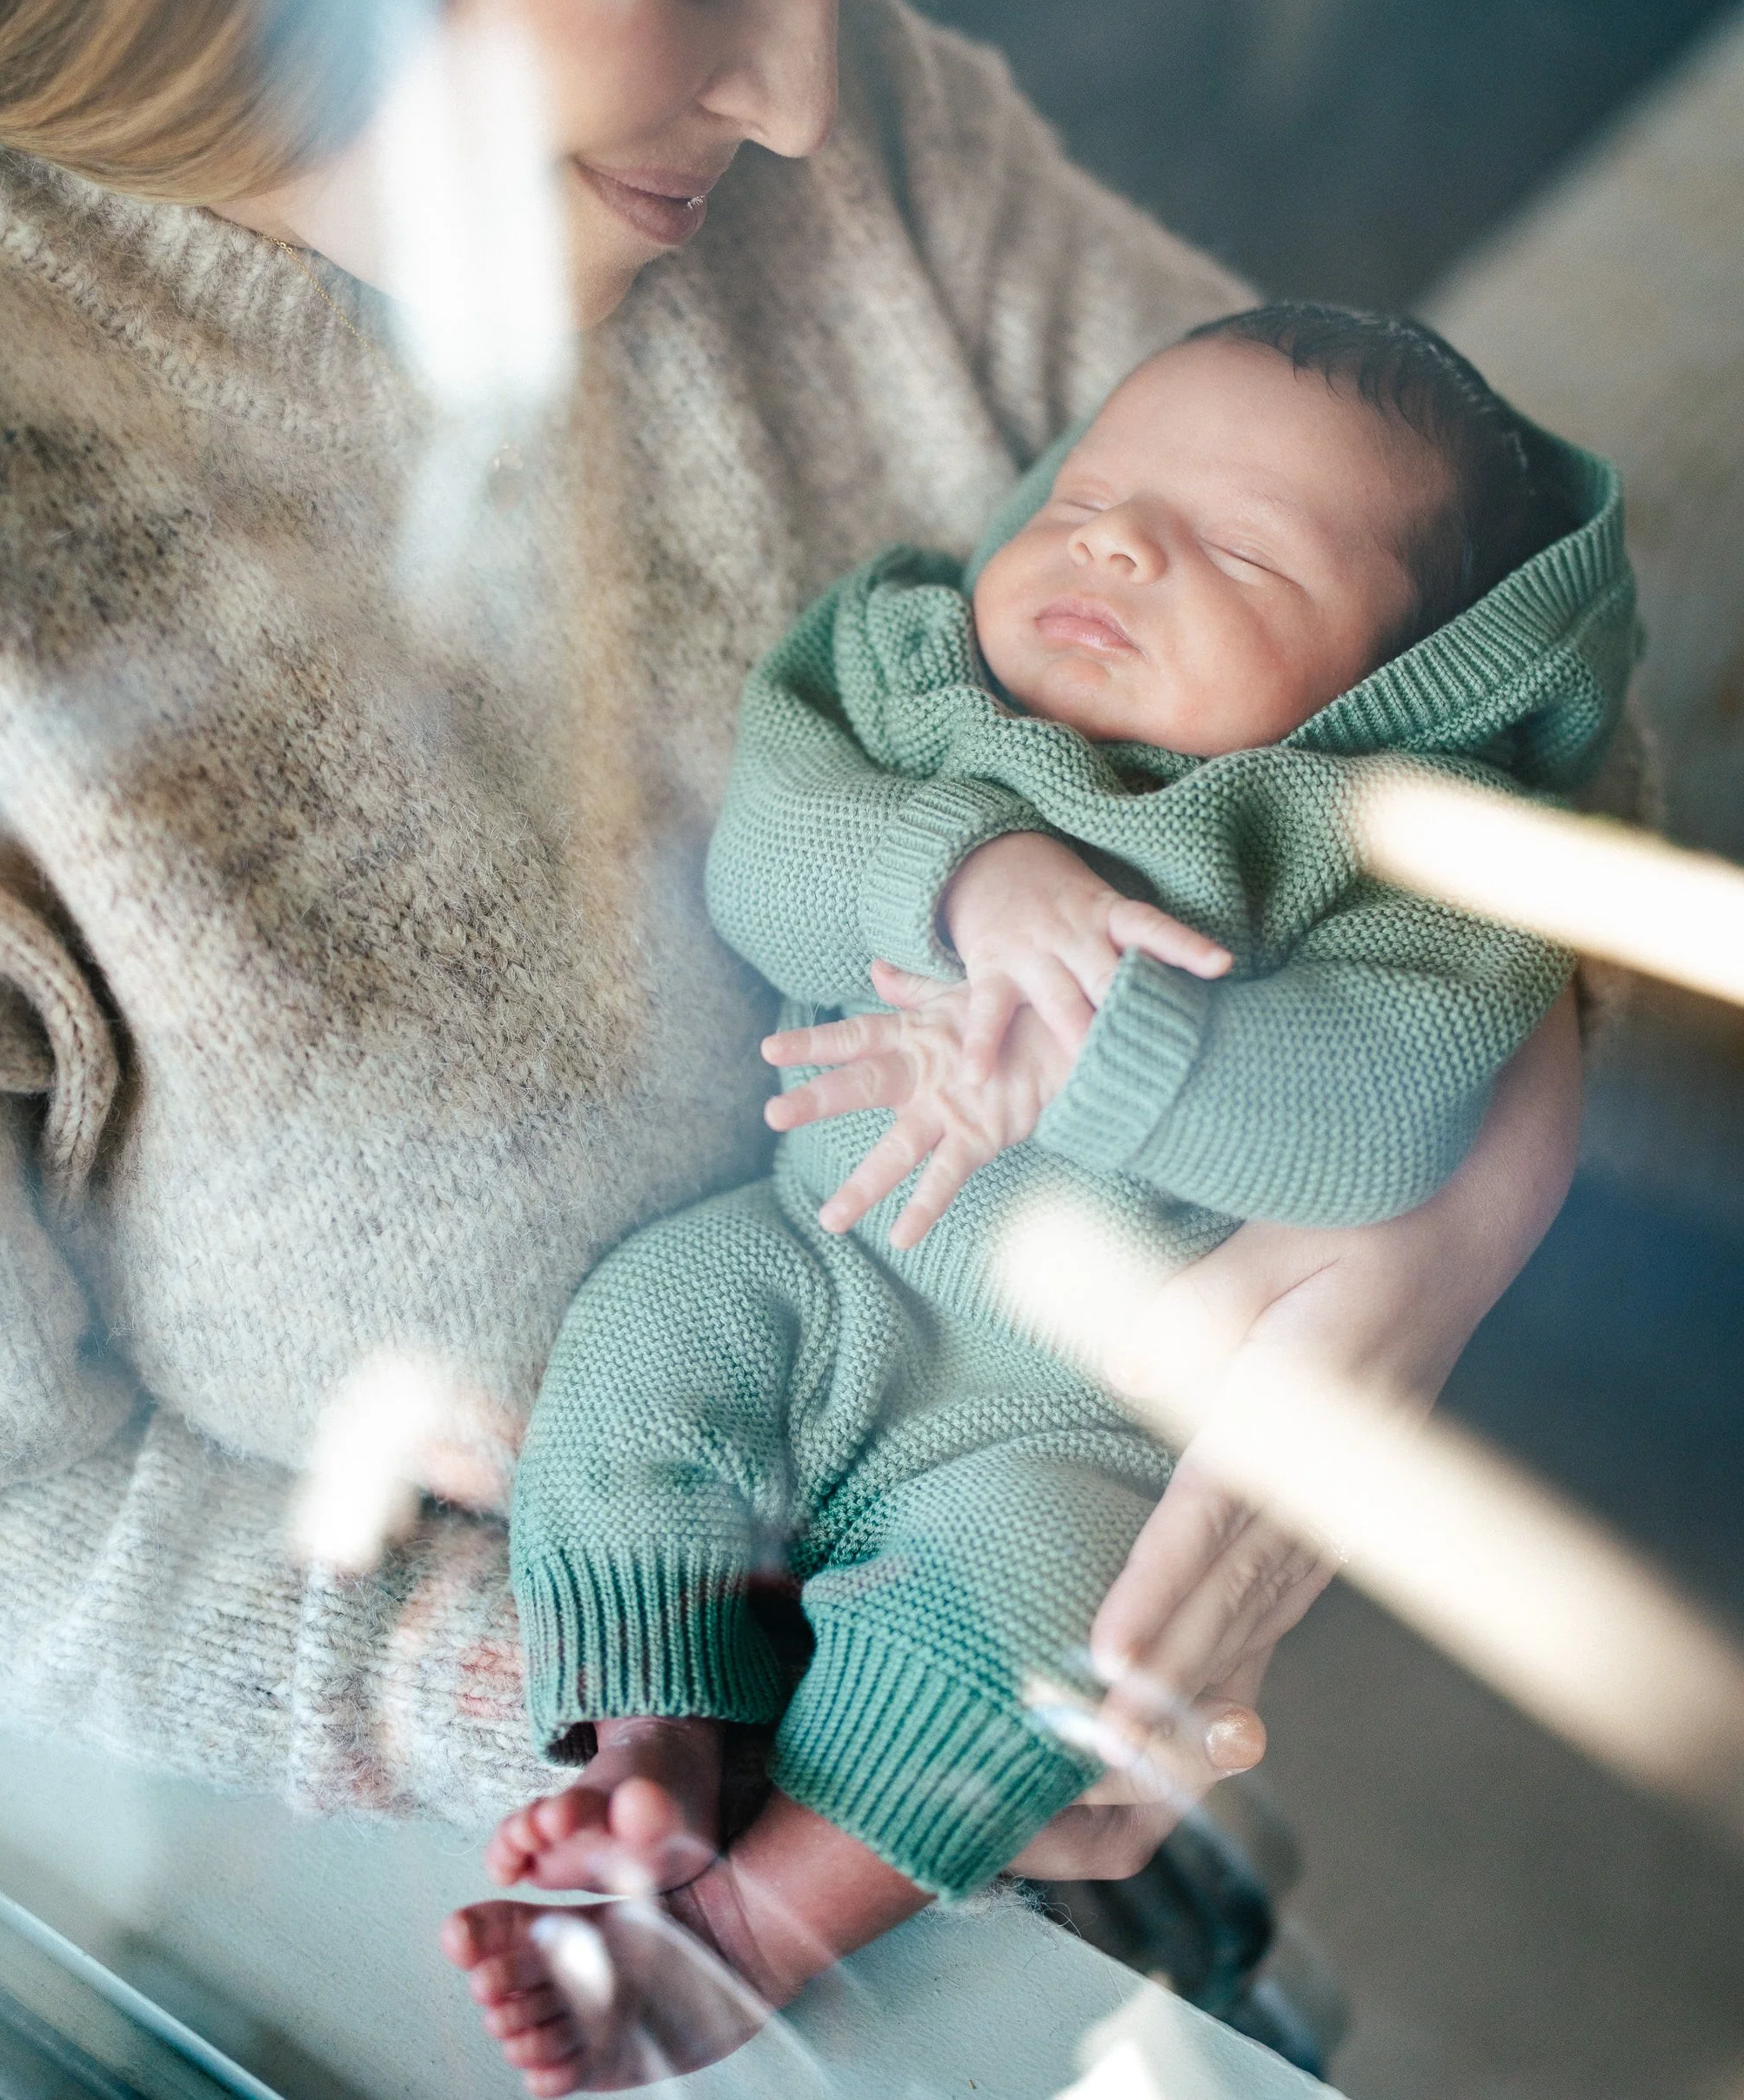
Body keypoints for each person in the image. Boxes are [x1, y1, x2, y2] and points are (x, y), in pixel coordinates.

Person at [0, 0, 1589, 1936]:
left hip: (1067, 1820)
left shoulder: (857, 138)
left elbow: (1466, 605)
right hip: (374, 1941)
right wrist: (631, 1743)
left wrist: (1432, 1216)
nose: (796, 92)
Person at [452, 308, 1634, 2092]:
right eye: (1091, 496)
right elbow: (766, 855)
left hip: (1072, 1427)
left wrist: (1102, 1053)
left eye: (1239, 550)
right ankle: (651, 1731)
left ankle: (757, 1934)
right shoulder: (923, 679)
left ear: (1413, 685)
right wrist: (964, 876)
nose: (1122, 544)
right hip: (815, 1265)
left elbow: (1378, 1127)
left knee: (1054, 1629)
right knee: (643, 1337)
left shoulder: (1393, 850)